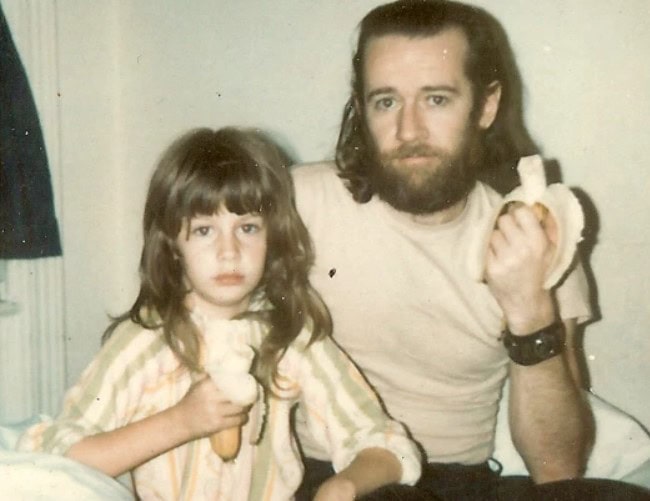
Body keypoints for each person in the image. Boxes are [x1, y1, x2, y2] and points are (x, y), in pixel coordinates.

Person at [291, 1, 650, 499]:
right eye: (386, 102)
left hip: (458, 483)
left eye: (436, 99)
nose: (409, 130)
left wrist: (528, 309)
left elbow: (557, 467)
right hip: (328, 475)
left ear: (486, 106)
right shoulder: (299, 203)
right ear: (362, 107)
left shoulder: (537, 234)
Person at [17, 127, 422, 500]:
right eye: (204, 230)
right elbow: (58, 456)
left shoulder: (291, 336)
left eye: (248, 228)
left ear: (273, 236)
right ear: (172, 244)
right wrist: (181, 421)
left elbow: (384, 441)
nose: (229, 252)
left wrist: (344, 485)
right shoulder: (144, 342)